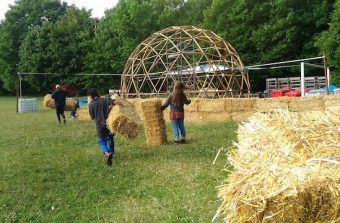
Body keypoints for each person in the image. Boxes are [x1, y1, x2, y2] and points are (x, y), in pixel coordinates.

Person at [87, 88, 120, 166]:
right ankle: (111, 152)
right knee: (110, 138)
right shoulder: (105, 100)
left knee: (101, 140)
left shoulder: (91, 105)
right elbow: (116, 102)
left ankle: (107, 153)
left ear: (90, 96)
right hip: (109, 124)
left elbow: (93, 117)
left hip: (99, 124)